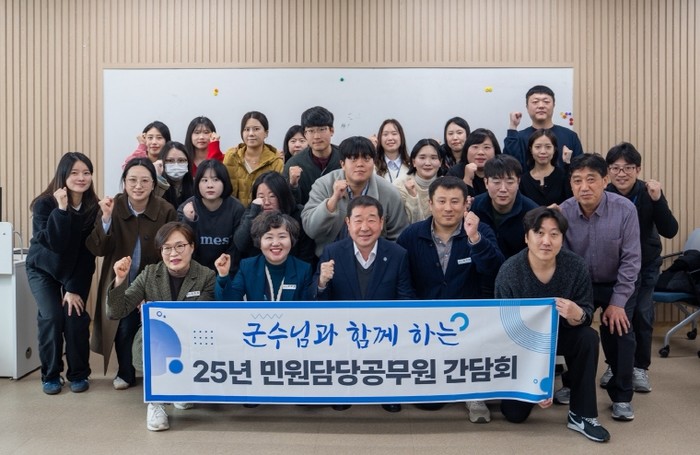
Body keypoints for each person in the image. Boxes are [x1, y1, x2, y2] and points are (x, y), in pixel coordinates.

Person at [495, 207, 610, 443]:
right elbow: (504, 331)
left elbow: (587, 315)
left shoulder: (575, 266)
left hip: (563, 334)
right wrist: (537, 383)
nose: (546, 241)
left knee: (588, 337)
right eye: (539, 233)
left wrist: (577, 314)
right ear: (526, 237)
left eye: (554, 234)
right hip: (523, 345)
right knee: (514, 414)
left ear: (562, 239)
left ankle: (583, 414)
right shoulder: (509, 271)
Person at [396, 176, 504, 422]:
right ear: (430, 203)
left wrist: (475, 239)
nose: (448, 208)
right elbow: (402, 280)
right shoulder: (411, 235)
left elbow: (495, 269)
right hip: (426, 322)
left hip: (470, 319)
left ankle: (474, 394)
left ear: (466, 204)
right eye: (441, 201)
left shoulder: (480, 230)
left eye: (455, 202)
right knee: (429, 405)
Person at [107, 222, 215, 431]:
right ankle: (156, 403)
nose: (173, 253)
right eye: (166, 248)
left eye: (180, 246)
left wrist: (159, 312)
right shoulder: (150, 274)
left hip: (192, 337)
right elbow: (116, 311)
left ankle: (181, 390)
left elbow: (202, 315)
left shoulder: (206, 276)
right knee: (158, 339)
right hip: (157, 341)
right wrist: (120, 280)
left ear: (192, 247)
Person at [559, 153, 641, 421]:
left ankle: (621, 396)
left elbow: (631, 260)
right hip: (580, 285)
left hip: (618, 282)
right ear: (571, 184)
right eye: (577, 180)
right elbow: (562, 260)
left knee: (620, 331)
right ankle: (572, 383)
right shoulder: (564, 212)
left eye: (591, 179)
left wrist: (617, 302)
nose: (584, 187)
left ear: (605, 180)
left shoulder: (625, 209)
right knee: (573, 328)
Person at [315, 195, 414, 413]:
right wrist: (322, 282)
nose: (364, 227)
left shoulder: (398, 254)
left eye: (371, 220)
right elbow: (320, 302)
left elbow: (405, 297)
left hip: (384, 334)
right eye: (358, 220)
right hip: (344, 334)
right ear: (348, 223)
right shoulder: (332, 252)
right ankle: (344, 388)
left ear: (381, 222)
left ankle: (387, 391)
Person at [86, 158, 177, 391]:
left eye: (145, 180)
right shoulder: (112, 206)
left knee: (156, 327)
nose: (138, 186)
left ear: (153, 183)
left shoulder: (166, 210)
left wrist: (151, 289)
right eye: (132, 180)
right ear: (124, 182)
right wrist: (106, 219)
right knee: (123, 326)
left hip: (154, 281)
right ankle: (125, 371)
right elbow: (98, 249)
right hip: (120, 280)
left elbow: (171, 251)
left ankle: (159, 371)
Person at [603, 142, 678, 392]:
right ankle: (614, 365)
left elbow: (670, 230)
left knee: (642, 315)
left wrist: (658, 200)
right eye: (615, 168)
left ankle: (639, 368)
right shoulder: (604, 194)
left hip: (645, 265)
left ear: (638, 169)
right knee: (614, 316)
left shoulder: (648, 192)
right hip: (613, 268)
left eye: (628, 168)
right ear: (608, 171)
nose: (621, 173)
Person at [26, 152, 99, 395]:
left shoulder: (93, 207)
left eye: (86, 173)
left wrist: (73, 288)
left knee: (74, 316)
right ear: (63, 175)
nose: (81, 178)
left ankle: (79, 373)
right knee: (52, 317)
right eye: (75, 173)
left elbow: (88, 253)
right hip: (43, 268)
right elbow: (54, 244)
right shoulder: (45, 204)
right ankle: (50, 374)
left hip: (74, 270)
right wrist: (62, 209)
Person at [301, 136, 408, 257]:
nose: (360, 164)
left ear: (373, 163)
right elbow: (311, 230)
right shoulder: (323, 185)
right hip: (329, 258)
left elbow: (398, 236)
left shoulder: (389, 192)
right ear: (342, 164)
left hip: (375, 258)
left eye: (366, 158)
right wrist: (333, 200)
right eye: (353, 159)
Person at [216, 211, 312, 301]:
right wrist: (223, 276)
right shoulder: (248, 267)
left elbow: (308, 308)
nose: (275, 243)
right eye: (269, 237)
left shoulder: (303, 269)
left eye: (282, 236)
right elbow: (230, 302)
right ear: (259, 242)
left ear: (292, 240)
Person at [233, 171, 316, 266]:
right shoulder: (252, 212)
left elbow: (306, 254)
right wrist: (253, 214)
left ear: (282, 195)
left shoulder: (298, 214)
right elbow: (240, 245)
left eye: (272, 196)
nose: (267, 202)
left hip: (294, 269)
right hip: (258, 269)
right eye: (261, 196)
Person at [178, 159, 245, 275]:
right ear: (197, 183)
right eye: (204, 180)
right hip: (193, 274)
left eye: (215, 180)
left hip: (227, 273)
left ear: (224, 182)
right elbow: (182, 247)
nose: (210, 185)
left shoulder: (237, 209)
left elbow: (237, 248)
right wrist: (189, 220)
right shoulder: (187, 208)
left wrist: (224, 274)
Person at [470, 154, 539, 258]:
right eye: (496, 182)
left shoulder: (532, 212)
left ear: (518, 182)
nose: (503, 189)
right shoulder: (474, 207)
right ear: (486, 182)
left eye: (510, 182)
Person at [503, 85, 583, 170]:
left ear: (554, 105)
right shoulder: (518, 138)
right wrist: (512, 127)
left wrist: (567, 163)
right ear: (527, 107)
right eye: (535, 102)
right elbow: (508, 167)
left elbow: (580, 169)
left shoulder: (570, 136)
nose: (541, 106)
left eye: (546, 102)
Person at [215, 111, 283, 206]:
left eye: (256, 129)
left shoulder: (275, 161)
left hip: (263, 212)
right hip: (234, 212)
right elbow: (224, 190)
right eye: (246, 129)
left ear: (266, 133)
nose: (251, 134)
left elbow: (278, 195)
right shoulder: (232, 156)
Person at [283, 106, 343, 205]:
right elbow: (289, 205)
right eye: (311, 131)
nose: (317, 136)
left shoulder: (345, 158)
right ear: (305, 134)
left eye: (322, 129)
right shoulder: (294, 163)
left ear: (331, 131)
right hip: (306, 214)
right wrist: (293, 185)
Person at [393, 138, 442, 224]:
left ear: (440, 162)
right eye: (422, 158)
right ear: (414, 162)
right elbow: (403, 223)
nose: (427, 163)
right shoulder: (399, 185)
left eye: (433, 158)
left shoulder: (447, 186)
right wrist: (413, 198)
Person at [519, 129, 572, 206]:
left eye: (548, 147)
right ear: (531, 150)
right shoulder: (523, 181)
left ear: (554, 149)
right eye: (538, 147)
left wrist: (567, 162)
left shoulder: (563, 176)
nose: (543, 151)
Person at [447, 128, 502, 196]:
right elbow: (452, 199)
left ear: (495, 151)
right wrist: (467, 180)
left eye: (486, 147)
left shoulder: (502, 171)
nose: (480, 152)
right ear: (467, 150)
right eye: (475, 147)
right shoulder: (454, 173)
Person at [159, 141, 195, 210]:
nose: (176, 165)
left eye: (181, 160)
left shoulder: (196, 186)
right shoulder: (156, 188)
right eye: (170, 161)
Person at [374, 119, 411, 183]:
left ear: (401, 137)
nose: (390, 138)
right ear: (380, 138)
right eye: (385, 134)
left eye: (394, 134)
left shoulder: (411, 165)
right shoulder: (373, 166)